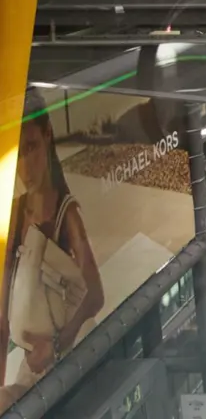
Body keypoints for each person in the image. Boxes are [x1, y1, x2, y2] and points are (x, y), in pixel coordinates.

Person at [0, 92, 104, 405]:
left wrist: (57, 346)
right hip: (28, 374)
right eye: (17, 153)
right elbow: (2, 317)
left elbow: (95, 295)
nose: (24, 167)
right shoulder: (13, 214)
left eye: (30, 148)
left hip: (67, 369)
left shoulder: (66, 214)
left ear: (47, 136)